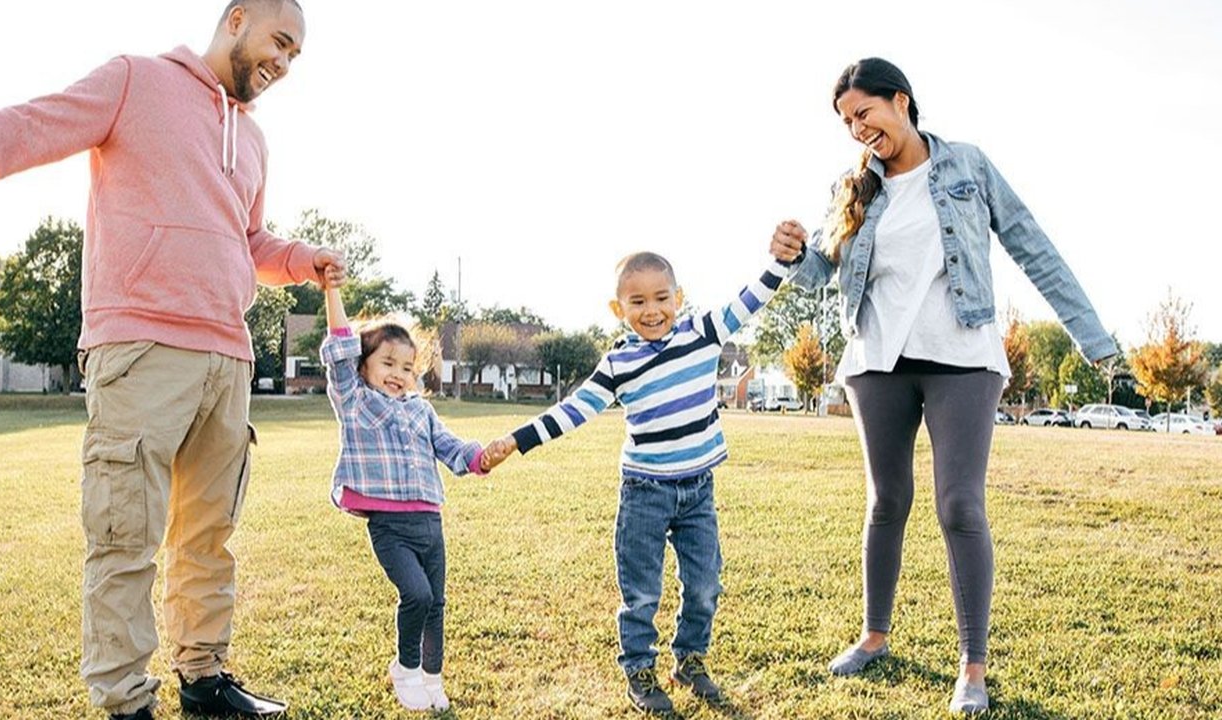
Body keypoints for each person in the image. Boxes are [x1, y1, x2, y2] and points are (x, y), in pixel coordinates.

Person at [0, 2, 346, 718]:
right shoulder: (135, 81)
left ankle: (204, 679)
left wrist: (298, 259)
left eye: (296, 56)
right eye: (280, 42)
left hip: (228, 357)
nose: (284, 63)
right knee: (125, 536)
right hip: (141, 350)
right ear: (238, 18)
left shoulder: (252, 140)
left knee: (209, 537)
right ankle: (127, 702)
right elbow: (27, 129)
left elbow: (246, 239)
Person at [770, 57, 1117, 714]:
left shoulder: (969, 166)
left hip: (963, 353)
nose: (857, 130)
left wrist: (1091, 337)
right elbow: (822, 270)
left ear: (900, 100)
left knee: (960, 505)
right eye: (846, 122)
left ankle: (973, 667)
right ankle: (874, 637)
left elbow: (1033, 247)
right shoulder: (855, 187)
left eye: (863, 113)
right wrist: (791, 254)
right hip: (877, 359)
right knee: (886, 501)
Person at [484, 241, 805, 714]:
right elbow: (574, 409)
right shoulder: (619, 364)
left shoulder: (705, 332)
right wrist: (516, 441)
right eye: (637, 302)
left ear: (680, 297)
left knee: (704, 583)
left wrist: (781, 260)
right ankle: (639, 668)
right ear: (619, 309)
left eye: (661, 298)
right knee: (642, 591)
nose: (651, 310)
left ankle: (690, 660)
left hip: (698, 490)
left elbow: (750, 299)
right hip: (645, 494)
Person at [319, 285, 506, 713]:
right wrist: (332, 289)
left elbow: (451, 448)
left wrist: (480, 457)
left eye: (406, 366)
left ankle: (431, 679)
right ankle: (406, 668)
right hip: (390, 527)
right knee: (417, 596)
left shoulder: (421, 410)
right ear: (362, 367)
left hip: (430, 522)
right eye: (387, 363)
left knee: (437, 605)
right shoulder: (356, 402)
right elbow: (340, 348)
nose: (398, 374)